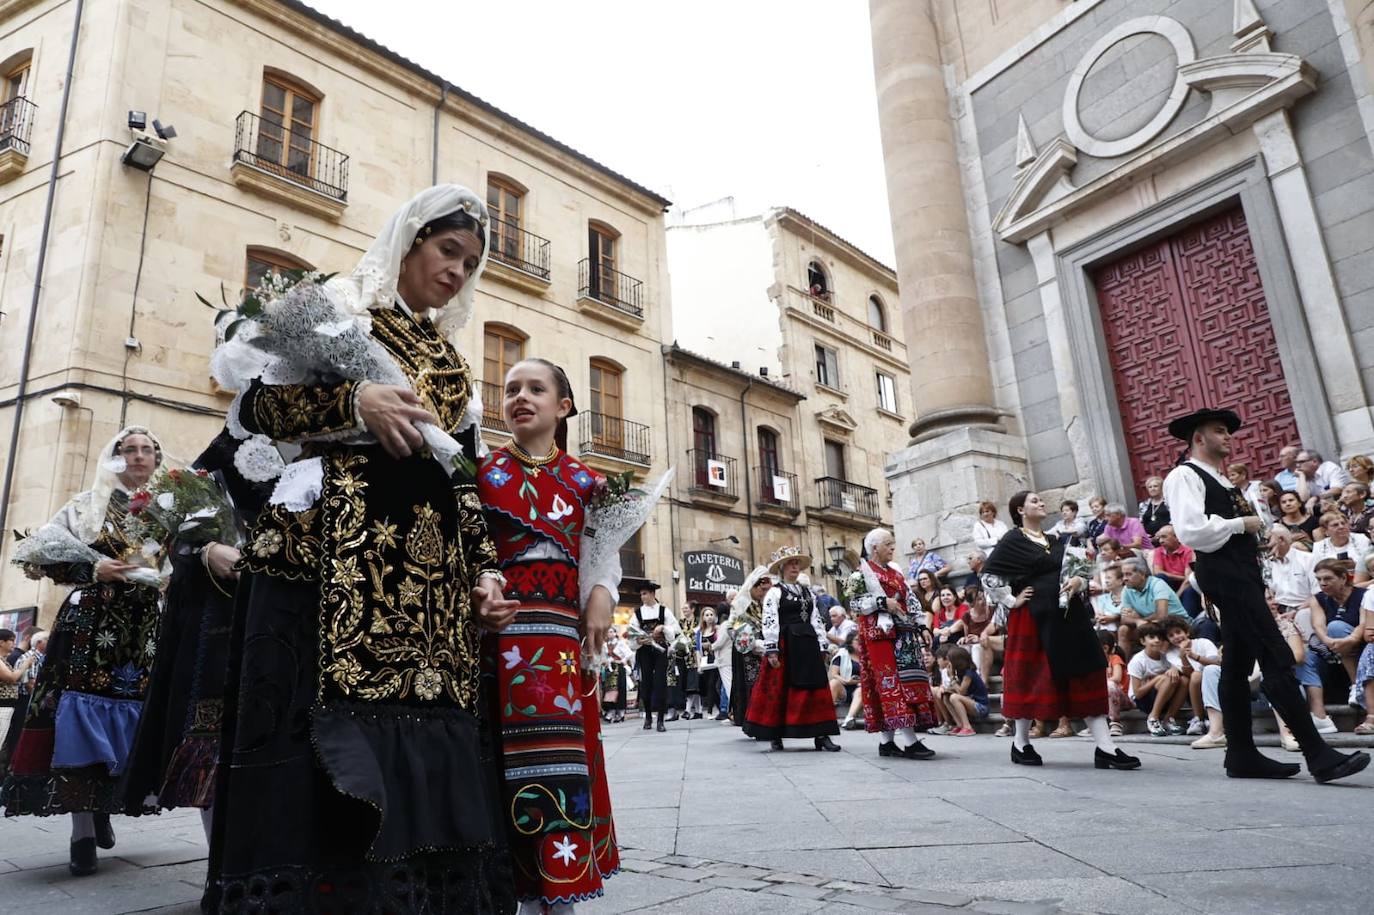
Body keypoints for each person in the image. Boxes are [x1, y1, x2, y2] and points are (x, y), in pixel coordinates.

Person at [205, 186, 519, 911]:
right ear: (409, 242)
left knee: (428, 727)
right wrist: (353, 404)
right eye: (448, 251)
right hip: (330, 551)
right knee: (314, 726)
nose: (458, 272)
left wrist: (487, 568)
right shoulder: (338, 308)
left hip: (429, 583)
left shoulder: (450, 366)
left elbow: (464, 476)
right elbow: (253, 407)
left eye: (470, 263)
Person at [480, 357, 654, 910]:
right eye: (511, 389)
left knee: (562, 762)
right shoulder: (481, 475)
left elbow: (601, 558)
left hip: (560, 645)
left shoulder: (587, 482)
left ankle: (559, 894)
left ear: (563, 406)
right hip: (499, 642)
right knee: (502, 765)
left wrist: (602, 592)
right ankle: (507, 888)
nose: (520, 397)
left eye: (535, 388)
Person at [1162, 406, 1369, 783]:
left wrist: (1265, 533)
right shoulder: (1183, 475)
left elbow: (1237, 528)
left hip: (1242, 574)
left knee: (1238, 664)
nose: (1228, 437)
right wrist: (1243, 523)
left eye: (1228, 431)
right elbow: (1192, 530)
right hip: (1225, 577)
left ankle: (1241, 754)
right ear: (1198, 438)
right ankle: (1318, 754)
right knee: (1275, 655)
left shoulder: (1220, 480)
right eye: (1220, 430)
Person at [1, 427, 167, 876]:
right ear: (114, 458)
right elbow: (38, 554)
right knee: (79, 720)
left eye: (146, 450)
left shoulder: (171, 509)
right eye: (127, 449)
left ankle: (104, 807)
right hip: (88, 628)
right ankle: (82, 834)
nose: (137, 456)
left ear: (157, 458)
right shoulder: (85, 506)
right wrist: (94, 566)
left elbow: (187, 561)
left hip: (144, 630)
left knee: (133, 718)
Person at [120, 428, 271, 837]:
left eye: (145, 449)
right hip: (224, 610)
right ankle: (219, 859)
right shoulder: (221, 456)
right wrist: (205, 549)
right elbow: (178, 535)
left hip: (298, 608)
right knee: (216, 736)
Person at [982, 491, 1139, 771]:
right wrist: (1010, 600)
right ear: (1020, 510)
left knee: (1086, 673)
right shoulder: (1012, 540)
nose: (1041, 503)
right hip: (1033, 617)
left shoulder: (1056, 540)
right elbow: (989, 574)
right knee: (1032, 678)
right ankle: (1021, 743)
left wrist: (1079, 580)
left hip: (1069, 617)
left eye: (1041, 500)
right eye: (1034, 501)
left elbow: (1078, 568)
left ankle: (1105, 748)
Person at [849, 528, 937, 760]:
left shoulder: (896, 574)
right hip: (879, 636)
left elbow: (911, 601)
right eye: (888, 544)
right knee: (892, 685)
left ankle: (886, 743)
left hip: (903, 636)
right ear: (874, 548)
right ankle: (910, 741)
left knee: (899, 685)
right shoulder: (860, 575)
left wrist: (922, 626)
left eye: (892, 544)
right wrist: (881, 601)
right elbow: (856, 604)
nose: (892, 548)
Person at [745, 546, 841, 752]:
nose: (794, 567)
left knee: (816, 687)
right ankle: (775, 733)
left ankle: (821, 734)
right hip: (786, 644)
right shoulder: (775, 593)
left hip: (807, 644)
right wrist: (771, 649)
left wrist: (822, 643)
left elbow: (816, 619)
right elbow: (769, 620)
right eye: (790, 563)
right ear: (782, 567)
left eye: (797, 563)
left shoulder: (808, 593)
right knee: (781, 688)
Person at [1299, 559, 1367, 716]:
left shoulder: (1363, 595)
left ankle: (1356, 684)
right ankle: (1320, 716)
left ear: (1343, 578)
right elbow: (1318, 626)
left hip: (1360, 643)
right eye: (1319, 579)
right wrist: (1328, 641)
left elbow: (1364, 623)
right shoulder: (1318, 598)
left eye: (1328, 578)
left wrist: (1351, 639)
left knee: (1336, 627)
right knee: (1305, 658)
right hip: (1332, 644)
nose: (1322, 583)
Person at [1162, 617, 1221, 738]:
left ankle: (1204, 719)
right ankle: (1199, 719)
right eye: (1171, 635)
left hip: (1214, 681)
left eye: (1178, 632)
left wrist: (1194, 656)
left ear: (1186, 632)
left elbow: (1216, 663)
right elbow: (1189, 674)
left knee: (1198, 675)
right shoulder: (1171, 653)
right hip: (1194, 688)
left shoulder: (1203, 642)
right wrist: (1183, 657)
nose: (1176, 637)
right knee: (1194, 676)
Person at [728, 567, 770, 728]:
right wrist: (749, 641)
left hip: (764, 647)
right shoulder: (740, 603)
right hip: (745, 650)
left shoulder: (764, 603)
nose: (763, 593)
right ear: (753, 587)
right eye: (762, 589)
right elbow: (731, 627)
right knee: (750, 683)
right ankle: (749, 718)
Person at [1127, 623, 1187, 736]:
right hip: (1143, 701)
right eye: (1152, 637)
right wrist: (1156, 679)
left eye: (1159, 638)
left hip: (1165, 698)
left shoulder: (1165, 657)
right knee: (1167, 678)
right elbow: (1137, 693)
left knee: (1184, 680)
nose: (1157, 640)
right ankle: (1153, 718)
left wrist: (1174, 668)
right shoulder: (1138, 660)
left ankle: (1168, 719)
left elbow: (1178, 668)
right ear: (1143, 641)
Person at [631, 583, 676, 732]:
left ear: (652, 594)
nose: (642, 597)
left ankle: (661, 719)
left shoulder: (664, 611)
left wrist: (663, 628)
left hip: (660, 651)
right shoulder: (637, 613)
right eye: (641, 594)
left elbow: (676, 629)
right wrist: (638, 640)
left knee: (660, 683)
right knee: (646, 684)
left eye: (644, 593)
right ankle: (649, 717)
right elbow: (632, 633)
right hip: (644, 651)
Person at [1265, 527, 1318, 616]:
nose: (1264, 545)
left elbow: (1318, 594)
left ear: (1281, 540)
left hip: (1304, 609)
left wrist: (1296, 611)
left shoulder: (1308, 559)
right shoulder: (1266, 564)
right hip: (1276, 611)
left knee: (1303, 615)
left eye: (1267, 541)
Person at [938, 646, 988, 736]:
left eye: (950, 661)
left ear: (956, 662)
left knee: (954, 697)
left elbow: (961, 692)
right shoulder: (960, 672)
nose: (948, 663)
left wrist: (952, 678)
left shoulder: (968, 673)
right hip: (971, 702)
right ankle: (959, 725)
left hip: (981, 707)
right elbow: (958, 690)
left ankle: (968, 727)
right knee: (946, 696)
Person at [694, 607, 729, 722]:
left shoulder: (718, 629)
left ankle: (710, 711)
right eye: (706, 615)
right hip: (706, 661)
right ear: (703, 618)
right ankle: (721, 709)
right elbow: (698, 650)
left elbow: (720, 643)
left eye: (711, 614)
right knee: (711, 685)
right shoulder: (699, 632)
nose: (709, 617)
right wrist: (699, 665)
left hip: (717, 660)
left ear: (715, 616)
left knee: (713, 685)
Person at [601, 628, 632, 724]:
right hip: (609, 670)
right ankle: (611, 711)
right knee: (609, 690)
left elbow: (629, 653)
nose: (609, 634)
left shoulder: (620, 643)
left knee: (620, 689)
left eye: (611, 632)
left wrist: (623, 660)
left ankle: (621, 713)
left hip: (618, 668)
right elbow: (603, 657)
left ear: (615, 633)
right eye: (607, 632)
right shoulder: (605, 645)